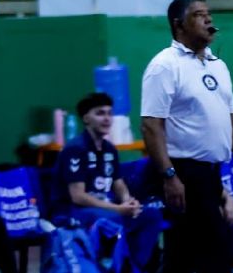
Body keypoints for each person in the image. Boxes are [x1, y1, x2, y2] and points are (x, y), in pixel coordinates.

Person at [141, 0, 233, 273]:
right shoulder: (164, 66)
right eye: (198, 15)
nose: (208, 20)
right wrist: (169, 176)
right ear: (179, 25)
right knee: (216, 254)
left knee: (183, 256)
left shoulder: (218, 66)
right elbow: (151, 126)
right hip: (183, 172)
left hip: (211, 174)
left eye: (208, 14)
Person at [52, 92, 164, 272]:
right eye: (100, 113)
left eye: (109, 113)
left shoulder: (109, 149)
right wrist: (118, 209)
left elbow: (118, 183)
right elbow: (78, 196)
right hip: (73, 211)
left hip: (105, 209)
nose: (107, 118)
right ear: (86, 118)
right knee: (112, 219)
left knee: (151, 216)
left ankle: (135, 267)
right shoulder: (75, 149)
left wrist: (128, 201)